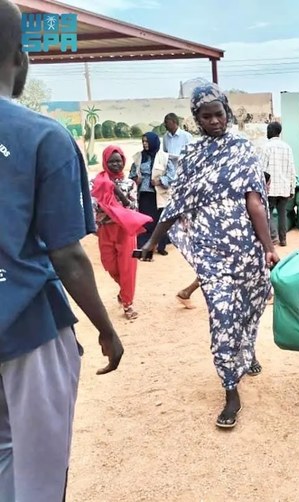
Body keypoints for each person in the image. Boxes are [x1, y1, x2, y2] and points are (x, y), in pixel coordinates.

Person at [0, 1, 124, 499]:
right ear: (22, 58)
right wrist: (106, 329)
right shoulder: (42, 136)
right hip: (28, 325)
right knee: (37, 474)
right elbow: (66, 255)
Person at [140, 82, 279, 429]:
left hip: (245, 250)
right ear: (196, 119)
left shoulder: (242, 149)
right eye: (207, 116)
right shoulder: (193, 156)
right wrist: (152, 242)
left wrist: (268, 247)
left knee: (249, 306)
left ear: (227, 112)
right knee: (221, 314)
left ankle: (246, 353)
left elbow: (254, 202)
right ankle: (230, 388)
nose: (215, 121)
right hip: (211, 252)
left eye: (219, 114)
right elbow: (176, 204)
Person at [176, 172, 274, 311]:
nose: (268, 188)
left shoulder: (239, 194)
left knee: (220, 270)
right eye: (267, 184)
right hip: (234, 242)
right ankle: (187, 292)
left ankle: (187, 292)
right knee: (222, 270)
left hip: (231, 241)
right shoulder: (251, 200)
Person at [90, 145, 152, 320]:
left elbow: (133, 207)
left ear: (124, 161)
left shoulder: (129, 183)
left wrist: (116, 191)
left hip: (125, 230)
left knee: (127, 268)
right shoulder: (95, 183)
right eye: (111, 161)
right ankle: (125, 290)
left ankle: (127, 303)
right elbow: (93, 206)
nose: (116, 164)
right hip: (106, 230)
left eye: (119, 161)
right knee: (109, 264)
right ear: (105, 162)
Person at [130, 131, 172, 256]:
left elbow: (172, 176)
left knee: (160, 221)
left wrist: (160, 181)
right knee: (146, 222)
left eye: (147, 141)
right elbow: (131, 174)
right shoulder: (138, 157)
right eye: (143, 141)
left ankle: (161, 246)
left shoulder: (164, 157)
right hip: (144, 195)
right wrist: (135, 179)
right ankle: (145, 247)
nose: (145, 144)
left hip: (159, 195)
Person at [258, 121, 296, 246]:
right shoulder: (287, 148)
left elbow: (262, 169)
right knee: (282, 214)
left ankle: (273, 237)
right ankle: (283, 239)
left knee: (268, 213)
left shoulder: (265, 147)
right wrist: (292, 188)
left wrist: (261, 187)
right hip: (284, 187)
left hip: (271, 188)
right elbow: (292, 169)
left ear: (271, 131)